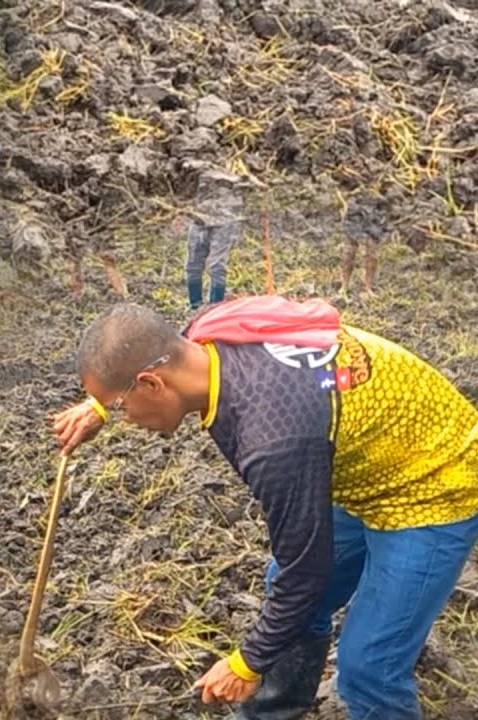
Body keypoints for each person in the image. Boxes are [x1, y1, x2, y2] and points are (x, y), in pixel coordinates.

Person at [51, 297, 478, 720]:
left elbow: (307, 570)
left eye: (120, 407)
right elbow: (149, 347)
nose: (124, 419)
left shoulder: (272, 440)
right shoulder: (205, 335)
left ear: (151, 383)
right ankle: (273, 711)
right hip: (376, 455)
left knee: (369, 667)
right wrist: (99, 404)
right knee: (292, 598)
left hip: (435, 479)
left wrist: (246, 663)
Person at [183, 167, 248, 309]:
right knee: (192, 264)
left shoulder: (234, 166)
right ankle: (194, 305)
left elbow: (247, 184)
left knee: (216, 266)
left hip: (225, 219)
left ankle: (214, 308)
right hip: (199, 219)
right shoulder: (196, 166)